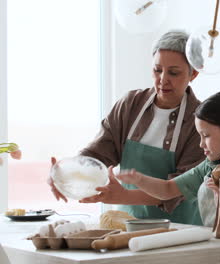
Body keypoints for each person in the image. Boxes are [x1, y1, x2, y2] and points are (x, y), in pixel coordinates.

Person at [47, 30, 206, 225]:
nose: (163, 79)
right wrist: (65, 174)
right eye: (157, 70)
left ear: (194, 73)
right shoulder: (131, 104)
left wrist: (122, 196)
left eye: (173, 72)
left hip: (178, 230)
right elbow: (99, 153)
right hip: (126, 224)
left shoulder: (201, 121)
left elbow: (179, 188)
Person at [114, 90, 220, 226]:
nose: (201, 144)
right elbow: (167, 190)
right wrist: (139, 179)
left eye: (206, 135)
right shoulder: (209, 166)